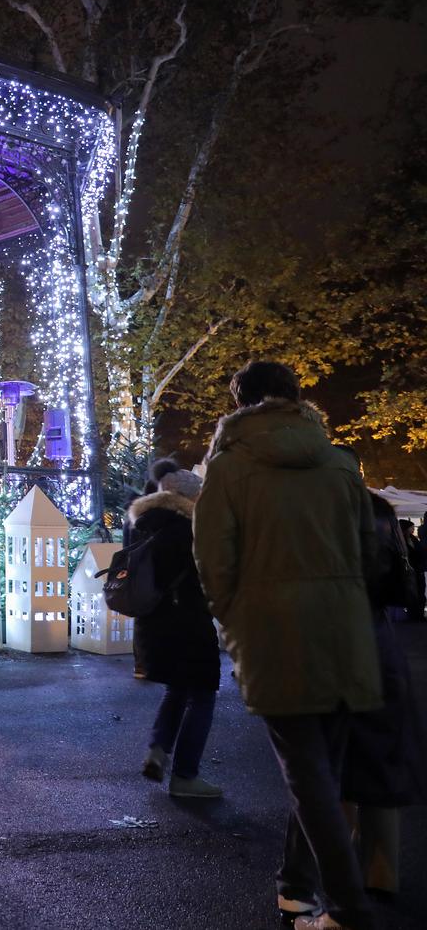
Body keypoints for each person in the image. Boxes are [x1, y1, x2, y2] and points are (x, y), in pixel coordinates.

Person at [193, 361, 381, 930]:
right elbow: (369, 552)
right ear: (298, 398)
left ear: (241, 402)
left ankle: (348, 910)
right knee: (323, 769)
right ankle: (295, 888)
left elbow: (213, 560)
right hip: (344, 629)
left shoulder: (229, 465)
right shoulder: (341, 463)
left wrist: (233, 620)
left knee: (307, 773)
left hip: (273, 630)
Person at [339, 490, 427, 901]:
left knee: (334, 768)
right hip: (380, 643)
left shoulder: (325, 512)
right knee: (381, 762)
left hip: (332, 642)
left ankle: (338, 886)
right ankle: (382, 876)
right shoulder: (379, 510)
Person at [128, 461, 222, 798]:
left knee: (178, 689)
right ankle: (185, 776)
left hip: (151, 623)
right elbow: (210, 577)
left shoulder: (141, 523)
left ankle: (157, 750)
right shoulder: (190, 529)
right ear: (190, 498)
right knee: (203, 695)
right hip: (189, 624)